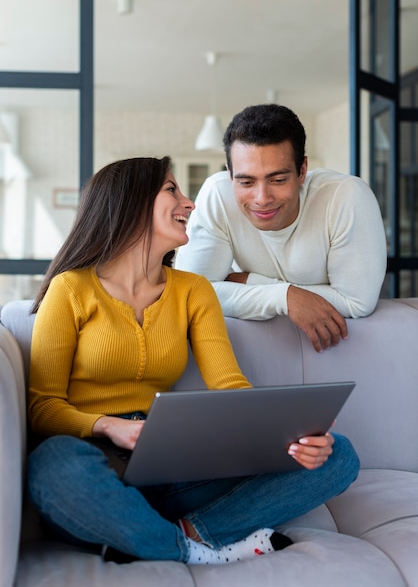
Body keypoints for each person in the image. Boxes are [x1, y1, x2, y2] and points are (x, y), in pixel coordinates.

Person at [27, 156, 360, 565]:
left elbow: (229, 385)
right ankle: (198, 547)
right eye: (172, 190)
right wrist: (111, 427)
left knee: (337, 455)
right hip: (95, 463)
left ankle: (174, 538)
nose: (189, 204)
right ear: (129, 201)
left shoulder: (194, 290)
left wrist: (285, 433)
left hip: (172, 465)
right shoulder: (70, 289)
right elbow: (42, 407)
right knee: (53, 465)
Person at [175, 104, 387, 353]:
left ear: (302, 171)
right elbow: (191, 295)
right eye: (246, 181)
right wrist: (284, 297)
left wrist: (251, 282)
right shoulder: (217, 195)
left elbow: (356, 302)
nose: (262, 198)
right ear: (230, 175)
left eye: (277, 180)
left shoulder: (346, 197)